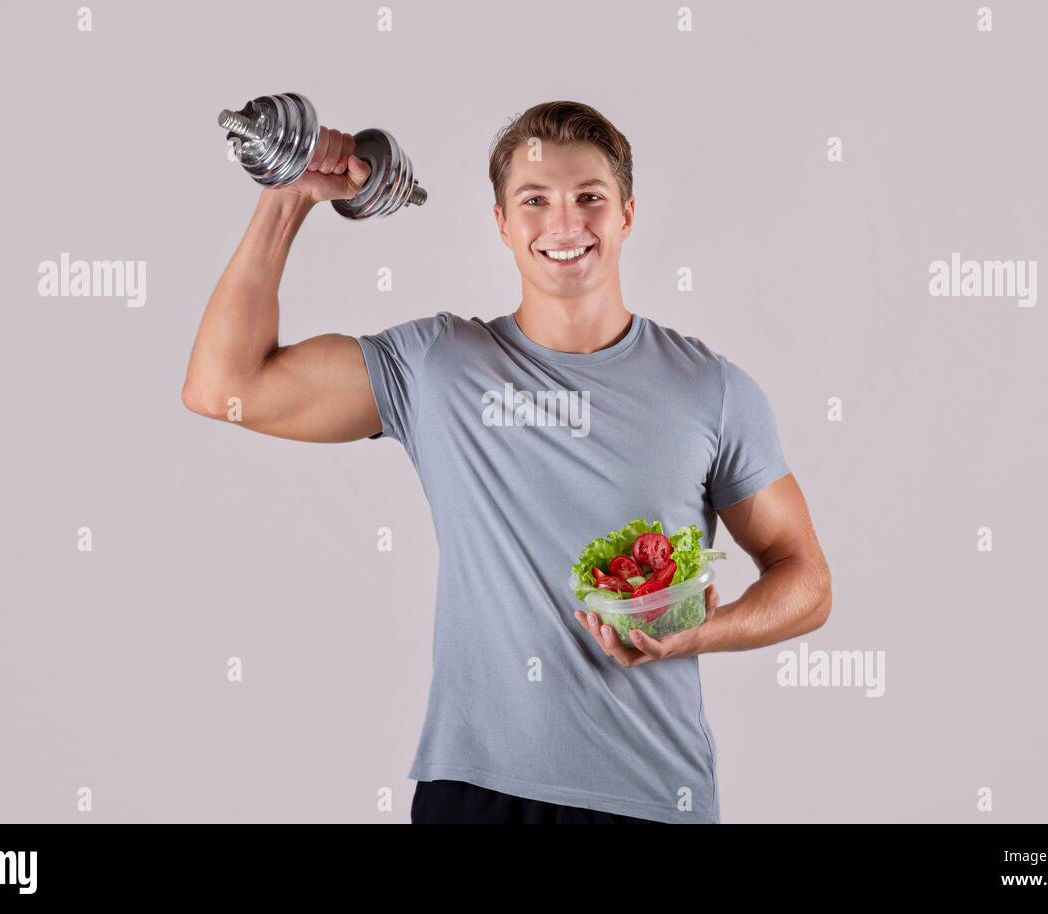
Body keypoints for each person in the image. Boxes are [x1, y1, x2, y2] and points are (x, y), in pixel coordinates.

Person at [182, 100, 832, 825]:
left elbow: (805, 578)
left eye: (589, 197)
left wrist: (699, 634)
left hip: (651, 800)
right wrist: (291, 194)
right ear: (500, 222)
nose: (564, 224)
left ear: (626, 215)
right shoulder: (438, 367)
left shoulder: (710, 389)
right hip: (475, 796)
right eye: (534, 201)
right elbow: (225, 386)